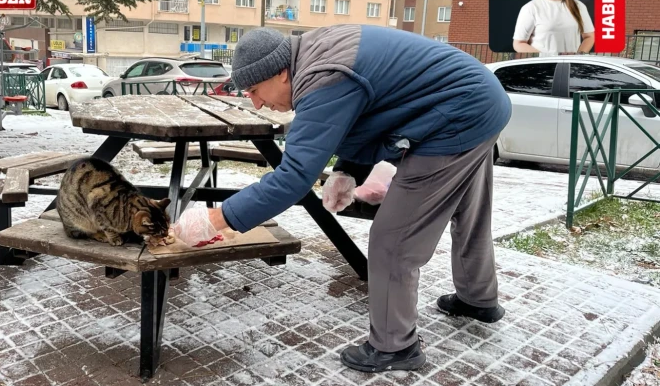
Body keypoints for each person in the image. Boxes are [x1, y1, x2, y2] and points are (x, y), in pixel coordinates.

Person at [173, 24, 512, 373]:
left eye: (256, 90)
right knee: (470, 212)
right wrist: (347, 169)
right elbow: (370, 105)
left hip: (457, 118)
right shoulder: (318, 52)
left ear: (281, 72)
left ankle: (395, 348)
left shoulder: (322, 77)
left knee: (392, 239)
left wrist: (215, 219)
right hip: (479, 100)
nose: (257, 102)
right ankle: (478, 299)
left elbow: (291, 179)